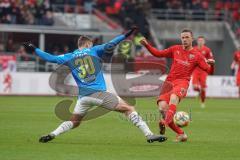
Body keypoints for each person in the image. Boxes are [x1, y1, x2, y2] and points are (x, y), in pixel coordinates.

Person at [23, 27, 167, 143]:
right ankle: (149, 135)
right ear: (87, 44)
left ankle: (53, 134)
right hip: (97, 93)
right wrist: (125, 35)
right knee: (129, 108)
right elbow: (112, 44)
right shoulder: (93, 50)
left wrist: (34, 48)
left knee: (75, 121)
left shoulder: (69, 56)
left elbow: (50, 57)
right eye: (91, 44)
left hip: (83, 97)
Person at [140, 29, 214, 142]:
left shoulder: (197, 56)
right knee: (162, 109)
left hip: (182, 82)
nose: (184, 39)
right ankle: (181, 134)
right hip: (169, 82)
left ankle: (164, 123)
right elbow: (158, 54)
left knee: (174, 98)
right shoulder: (175, 49)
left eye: (187, 37)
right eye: (182, 37)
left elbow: (208, 70)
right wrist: (146, 45)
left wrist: (211, 65)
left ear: (191, 39)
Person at [192, 36, 215, 108]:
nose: (200, 42)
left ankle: (202, 102)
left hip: (203, 71)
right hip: (195, 70)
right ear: (197, 41)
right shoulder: (194, 49)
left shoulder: (207, 50)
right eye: (199, 40)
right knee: (194, 87)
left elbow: (211, 59)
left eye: (202, 40)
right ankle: (199, 92)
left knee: (203, 88)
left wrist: (209, 65)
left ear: (204, 42)